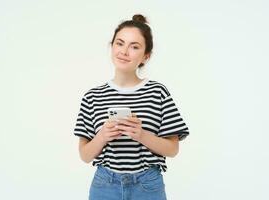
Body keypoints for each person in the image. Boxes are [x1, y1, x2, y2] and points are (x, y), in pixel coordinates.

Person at [74, 14, 190, 200]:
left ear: (146, 56)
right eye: (120, 43)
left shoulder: (157, 92)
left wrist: (141, 134)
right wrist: (103, 136)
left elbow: (172, 149)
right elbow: (85, 155)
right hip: (105, 185)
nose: (124, 51)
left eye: (134, 46)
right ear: (112, 47)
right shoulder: (92, 96)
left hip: (147, 185)